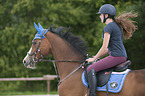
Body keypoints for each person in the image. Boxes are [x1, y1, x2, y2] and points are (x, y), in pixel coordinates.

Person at [86, 4, 138, 96]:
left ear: (106, 16)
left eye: (101, 14)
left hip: (116, 56)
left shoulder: (108, 27)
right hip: (120, 56)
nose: (99, 16)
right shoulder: (115, 26)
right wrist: (96, 56)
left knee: (91, 68)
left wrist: (93, 59)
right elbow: (107, 50)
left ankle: (92, 94)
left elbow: (104, 47)